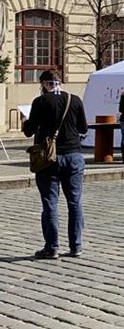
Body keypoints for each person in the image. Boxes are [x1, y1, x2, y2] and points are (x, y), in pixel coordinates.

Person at [22, 70, 89, 259]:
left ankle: (52, 247)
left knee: (50, 203)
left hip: (48, 158)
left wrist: (25, 121)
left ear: (44, 83)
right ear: (61, 81)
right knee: (75, 202)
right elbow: (83, 128)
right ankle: (76, 246)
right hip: (74, 155)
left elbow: (29, 131)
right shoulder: (75, 100)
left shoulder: (40, 101)